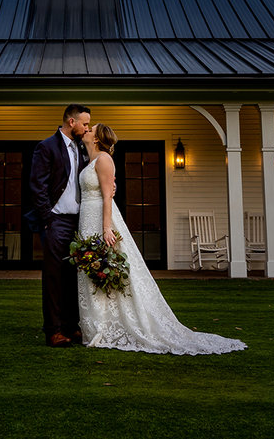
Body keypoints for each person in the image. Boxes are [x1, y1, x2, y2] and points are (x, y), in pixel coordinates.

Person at [76, 124, 245, 355]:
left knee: (107, 268)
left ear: (97, 138)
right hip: (86, 219)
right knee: (92, 270)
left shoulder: (104, 159)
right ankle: (95, 324)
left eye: (90, 128)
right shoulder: (89, 160)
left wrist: (106, 228)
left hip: (100, 219)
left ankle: (106, 326)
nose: (86, 130)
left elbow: (107, 196)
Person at [27, 104, 91, 347]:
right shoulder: (46, 147)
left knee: (75, 276)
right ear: (71, 122)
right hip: (56, 221)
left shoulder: (82, 148)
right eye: (84, 124)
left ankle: (70, 326)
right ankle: (53, 330)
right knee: (54, 278)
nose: (87, 128)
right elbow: (37, 186)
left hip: (79, 221)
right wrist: (48, 219)